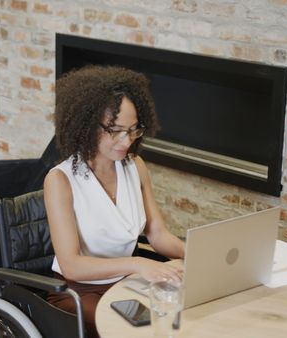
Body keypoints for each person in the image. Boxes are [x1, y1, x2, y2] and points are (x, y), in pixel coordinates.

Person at [44, 65, 185, 338]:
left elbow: (157, 233)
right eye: (115, 130)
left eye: (133, 130)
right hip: (77, 292)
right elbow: (72, 265)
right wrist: (137, 264)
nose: (126, 141)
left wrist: (198, 254)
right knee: (143, 329)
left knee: (179, 316)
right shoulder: (60, 181)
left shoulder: (135, 166)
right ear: (86, 125)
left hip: (128, 285)